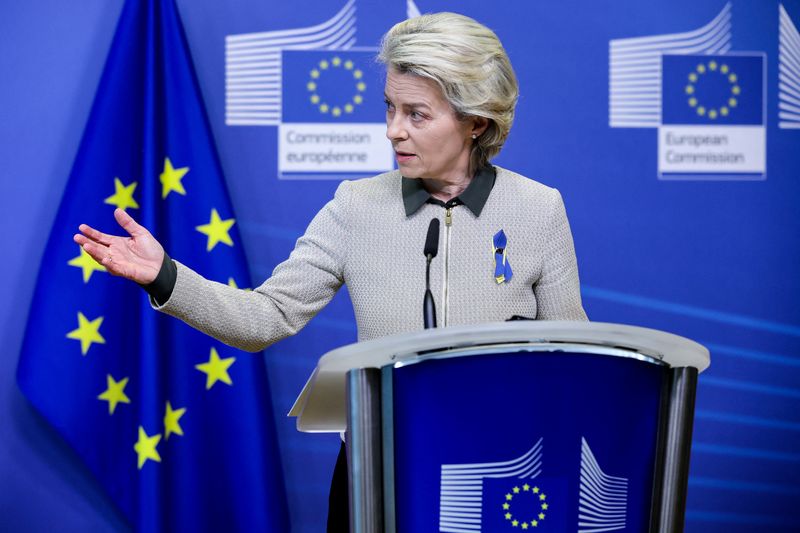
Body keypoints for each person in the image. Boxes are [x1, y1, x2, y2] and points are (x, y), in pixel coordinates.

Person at [75, 12, 587, 531]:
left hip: (502, 469)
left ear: (476, 120)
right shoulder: (355, 207)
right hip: (379, 469)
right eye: (390, 108)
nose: (394, 131)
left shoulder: (538, 210)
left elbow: (578, 361)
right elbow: (264, 318)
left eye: (417, 114)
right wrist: (165, 275)